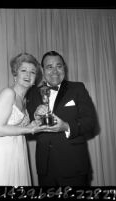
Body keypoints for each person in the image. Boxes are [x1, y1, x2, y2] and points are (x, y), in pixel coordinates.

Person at [26, 51, 97, 186]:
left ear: (64, 67)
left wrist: (66, 126)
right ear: (42, 70)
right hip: (45, 168)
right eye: (49, 67)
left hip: (73, 165)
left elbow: (90, 121)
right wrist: (34, 117)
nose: (55, 71)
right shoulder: (33, 92)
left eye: (59, 66)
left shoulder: (77, 88)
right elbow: (27, 124)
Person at [0, 53, 47, 186]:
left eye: (32, 72)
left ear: (36, 78)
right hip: (2, 156)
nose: (28, 75)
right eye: (23, 70)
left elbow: (20, 127)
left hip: (17, 154)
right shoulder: (8, 93)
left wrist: (36, 121)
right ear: (15, 74)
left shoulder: (24, 100)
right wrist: (29, 129)